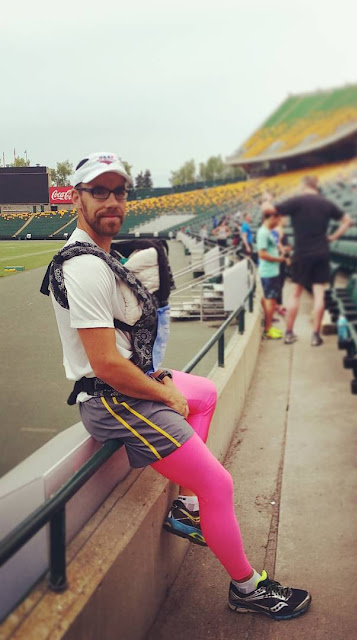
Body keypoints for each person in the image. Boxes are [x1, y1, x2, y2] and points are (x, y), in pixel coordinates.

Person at [42, 151, 311, 620]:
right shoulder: (84, 265)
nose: (111, 200)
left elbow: (122, 349)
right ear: (76, 199)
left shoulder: (102, 255)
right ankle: (247, 589)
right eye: (98, 191)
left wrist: (155, 376)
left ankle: (185, 507)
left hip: (129, 385)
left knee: (203, 394)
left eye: (119, 191)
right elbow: (105, 364)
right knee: (218, 484)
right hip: (112, 401)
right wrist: (162, 392)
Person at [272, 175, 353, 347]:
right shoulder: (326, 203)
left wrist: (270, 206)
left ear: (304, 185)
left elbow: (272, 211)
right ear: (316, 186)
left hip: (301, 253)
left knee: (295, 293)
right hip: (321, 252)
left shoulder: (296, 201)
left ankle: (289, 333)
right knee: (319, 294)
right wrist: (333, 237)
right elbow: (347, 221)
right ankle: (315, 335)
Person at [257, 207, 287, 340]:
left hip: (272, 272)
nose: (279, 222)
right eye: (278, 219)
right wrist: (279, 259)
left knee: (271, 300)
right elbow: (262, 254)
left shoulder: (268, 231)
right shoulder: (263, 232)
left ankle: (269, 326)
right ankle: (268, 330)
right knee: (270, 300)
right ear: (272, 218)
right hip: (268, 273)